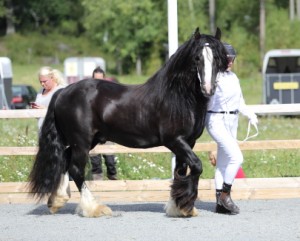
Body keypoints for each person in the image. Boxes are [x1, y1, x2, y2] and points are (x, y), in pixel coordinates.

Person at [205, 43, 258, 215]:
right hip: (216, 119)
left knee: (223, 164)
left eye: (232, 59)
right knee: (237, 157)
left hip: (232, 120)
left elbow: (240, 101)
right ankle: (226, 195)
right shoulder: (213, 77)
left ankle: (219, 203)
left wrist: (249, 114)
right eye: (227, 58)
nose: (230, 62)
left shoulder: (234, 78)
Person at [89, 66, 118, 180]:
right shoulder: (89, 94)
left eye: (100, 79)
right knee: (95, 159)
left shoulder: (110, 93)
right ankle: (97, 182)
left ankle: (113, 179)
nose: (98, 82)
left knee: (110, 160)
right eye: (96, 79)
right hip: (93, 130)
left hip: (107, 130)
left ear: (104, 78)